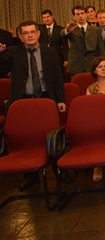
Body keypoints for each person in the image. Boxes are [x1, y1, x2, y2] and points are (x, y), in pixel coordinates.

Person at [0, 20, 67, 190]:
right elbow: (2, 64)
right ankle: (30, 175)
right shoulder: (13, 52)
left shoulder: (50, 52)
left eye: (32, 32)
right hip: (23, 101)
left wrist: (60, 100)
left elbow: (58, 78)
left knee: (52, 134)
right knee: (26, 138)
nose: (29, 35)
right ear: (20, 36)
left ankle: (59, 169)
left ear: (38, 34)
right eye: (25, 33)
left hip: (46, 98)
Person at [61, 5, 105, 76]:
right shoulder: (71, 29)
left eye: (82, 13)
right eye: (77, 14)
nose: (80, 16)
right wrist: (67, 30)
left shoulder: (96, 30)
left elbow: (101, 49)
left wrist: (103, 63)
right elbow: (62, 35)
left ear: (86, 14)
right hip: (76, 66)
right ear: (74, 16)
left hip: (92, 64)